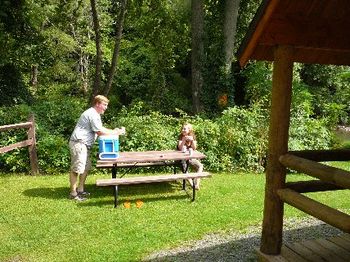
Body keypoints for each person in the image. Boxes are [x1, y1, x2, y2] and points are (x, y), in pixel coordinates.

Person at [69, 95, 125, 201]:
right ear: (97, 104)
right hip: (79, 143)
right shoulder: (92, 114)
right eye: (104, 105)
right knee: (76, 169)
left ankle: (80, 190)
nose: (106, 107)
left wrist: (114, 131)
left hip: (85, 145)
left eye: (107, 105)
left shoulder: (95, 114)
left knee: (86, 168)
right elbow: (99, 132)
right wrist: (116, 132)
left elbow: (100, 129)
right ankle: (73, 193)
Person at [177, 123, 203, 190]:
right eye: (182, 128)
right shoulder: (180, 136)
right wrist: (183, 140)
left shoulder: (192, 136)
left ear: (189, 130)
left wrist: (192, 140)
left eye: (184, 129)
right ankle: (192, 185)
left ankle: (197, 183)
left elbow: (194, 148)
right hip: (180, 158)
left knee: (200, 166)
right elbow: (180, 148)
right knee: (184, 167)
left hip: (190, 157)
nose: (182, 130)